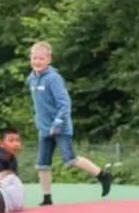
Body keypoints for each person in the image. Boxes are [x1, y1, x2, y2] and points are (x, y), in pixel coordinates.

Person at [25, 42, 113, 204]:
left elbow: (65, 103)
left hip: (60, 128)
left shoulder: (53, 78)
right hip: (44, 129)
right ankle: (47, 197)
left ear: (49, 59)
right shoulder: (31, 78)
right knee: (42, 165)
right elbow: (38, 103)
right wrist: (38, 119)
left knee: (70, 159)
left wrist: (57, 123)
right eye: (34, 58)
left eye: (41, 58)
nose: (37, 61)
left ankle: (103, 175)